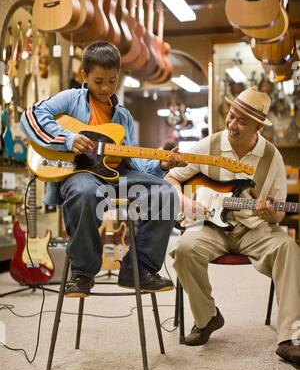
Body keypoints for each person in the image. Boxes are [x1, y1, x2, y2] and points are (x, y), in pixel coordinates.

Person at [21, 41, 186, 297]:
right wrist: (67, 138)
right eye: (98, 81)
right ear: (84, 76)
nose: (106, 88)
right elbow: (31, 116)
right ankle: (83, 272)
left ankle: (138, 268)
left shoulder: (123, 116)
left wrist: (160, 163)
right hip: (82, 174)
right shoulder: (69, 99)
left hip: (119, 175)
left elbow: (133, 160)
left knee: (166, 193)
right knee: (85, 193)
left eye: (112, 80)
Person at [165, 87, 300, 367]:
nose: (232, 124)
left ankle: (289, 338)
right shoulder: (209, 145)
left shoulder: (271, 157)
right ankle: (207, 318)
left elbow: (277, 215)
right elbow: (172, 178)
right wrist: (184, 203)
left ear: (257, 127)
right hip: (211, 227)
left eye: (241, 121)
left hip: (254, 228)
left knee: (288, 248)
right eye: (231, 116)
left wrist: (269, 213)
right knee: (185, 248)